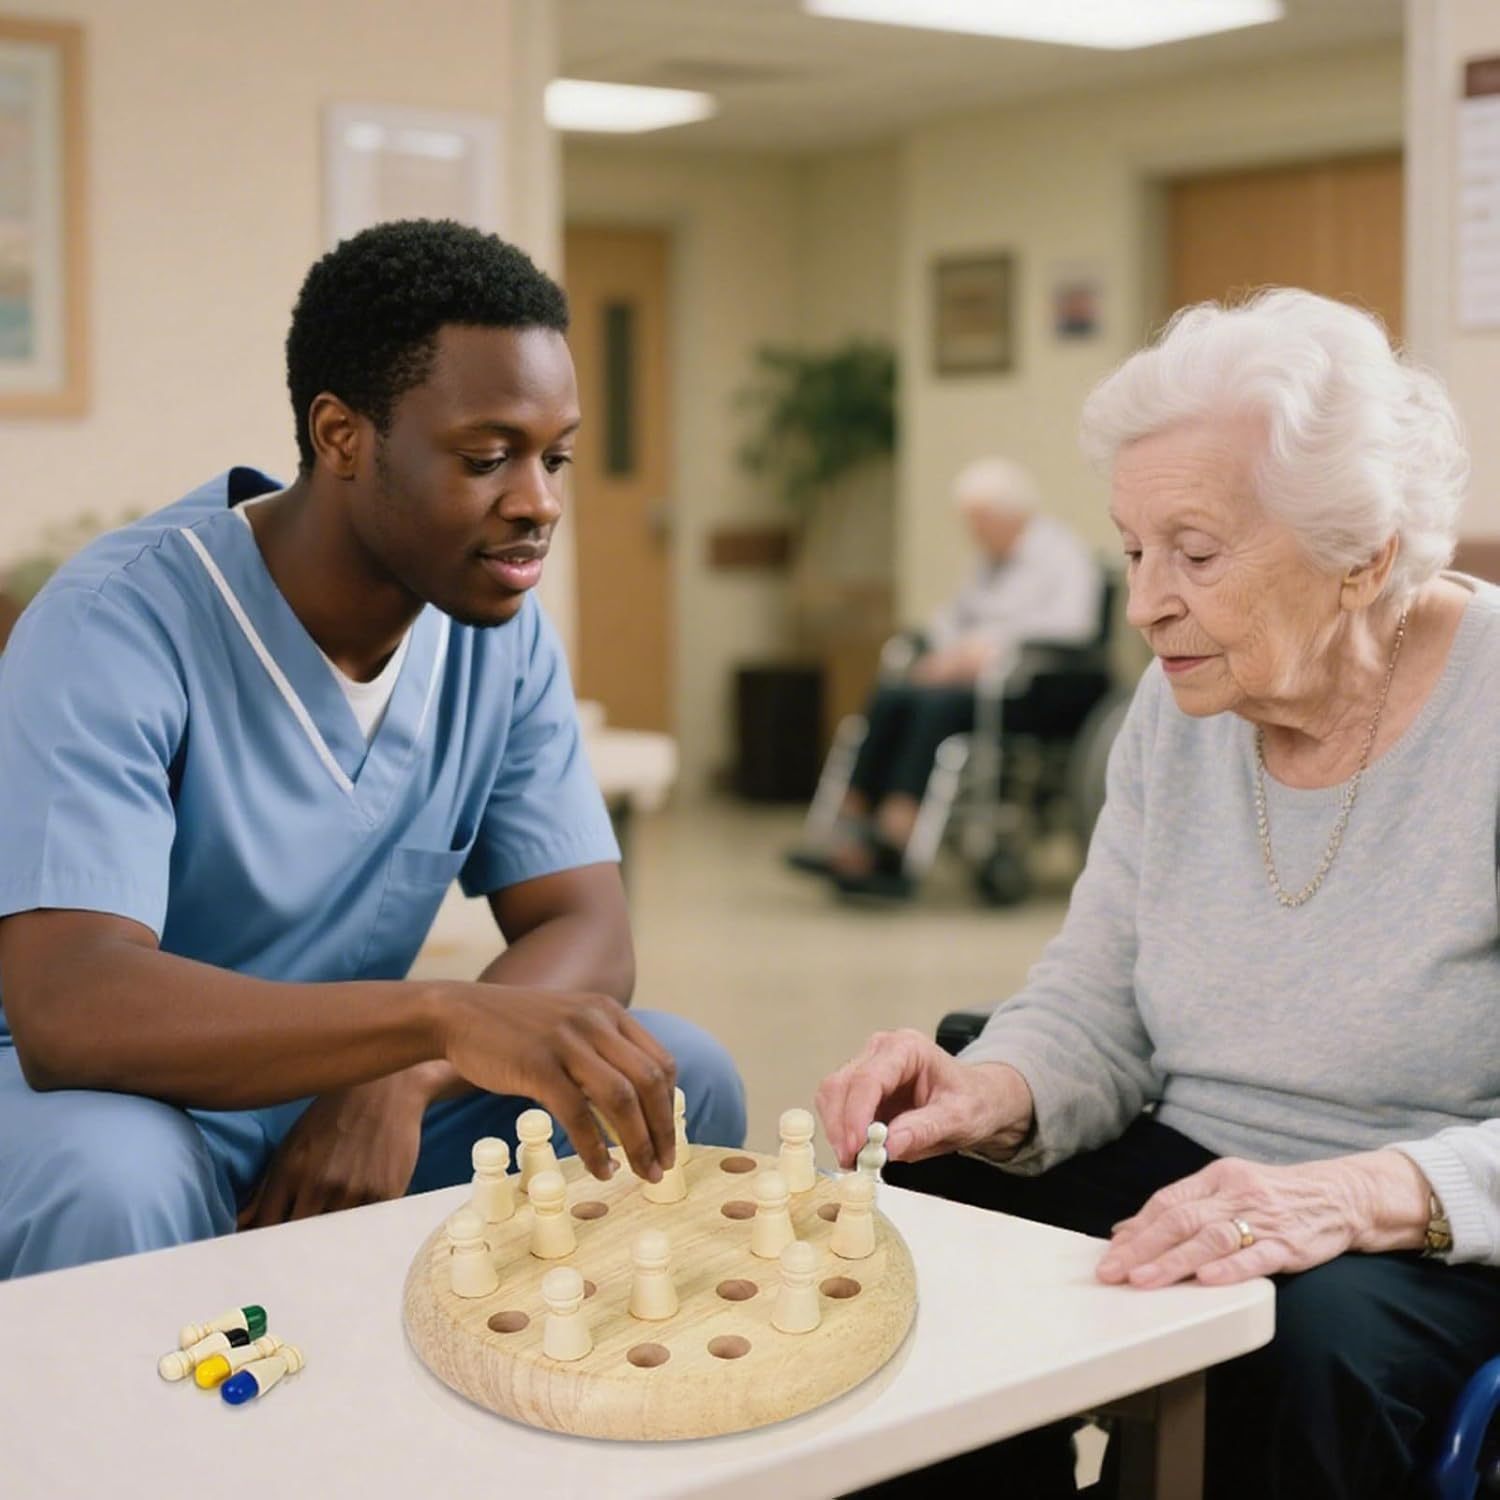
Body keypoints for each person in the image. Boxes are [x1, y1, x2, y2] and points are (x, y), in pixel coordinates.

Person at [817, 289, 1497, 1499]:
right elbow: (1097, 997)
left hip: (1424, 1219)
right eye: (1132, 549)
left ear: (1365, 557)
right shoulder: (1182, 706)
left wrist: (1359, 1194)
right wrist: (997, 1088)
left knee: (1306, 1345)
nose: (1144, 605)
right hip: (1190, 1162)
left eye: (1195, 552)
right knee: (916, 1205)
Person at [0, 219, 745, 1280]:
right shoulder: (118, 622)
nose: (538, 503)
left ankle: (526, 1432)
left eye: (557, 457)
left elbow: (587, 927)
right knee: (115, 1177)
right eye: (488, 458)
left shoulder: (499, 632)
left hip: (342, 1075)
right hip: (103, 1099)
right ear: (342, 436)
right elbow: (71, 1009)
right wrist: (438, 1018)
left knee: (669, 1080)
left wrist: (404, 1075)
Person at [789, 458, 1100, 898]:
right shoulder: (987, 562)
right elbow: (955, 618)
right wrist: (939, 652)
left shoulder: (1061, 552)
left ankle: (898, 831)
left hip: (1031, 686)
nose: (973, 532)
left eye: (980, 521)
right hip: (971, 678)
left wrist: (985, 651)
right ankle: (851, 820)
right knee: (895, 694)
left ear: (1011, 514)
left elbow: (1073, 627)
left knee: (934, 707)